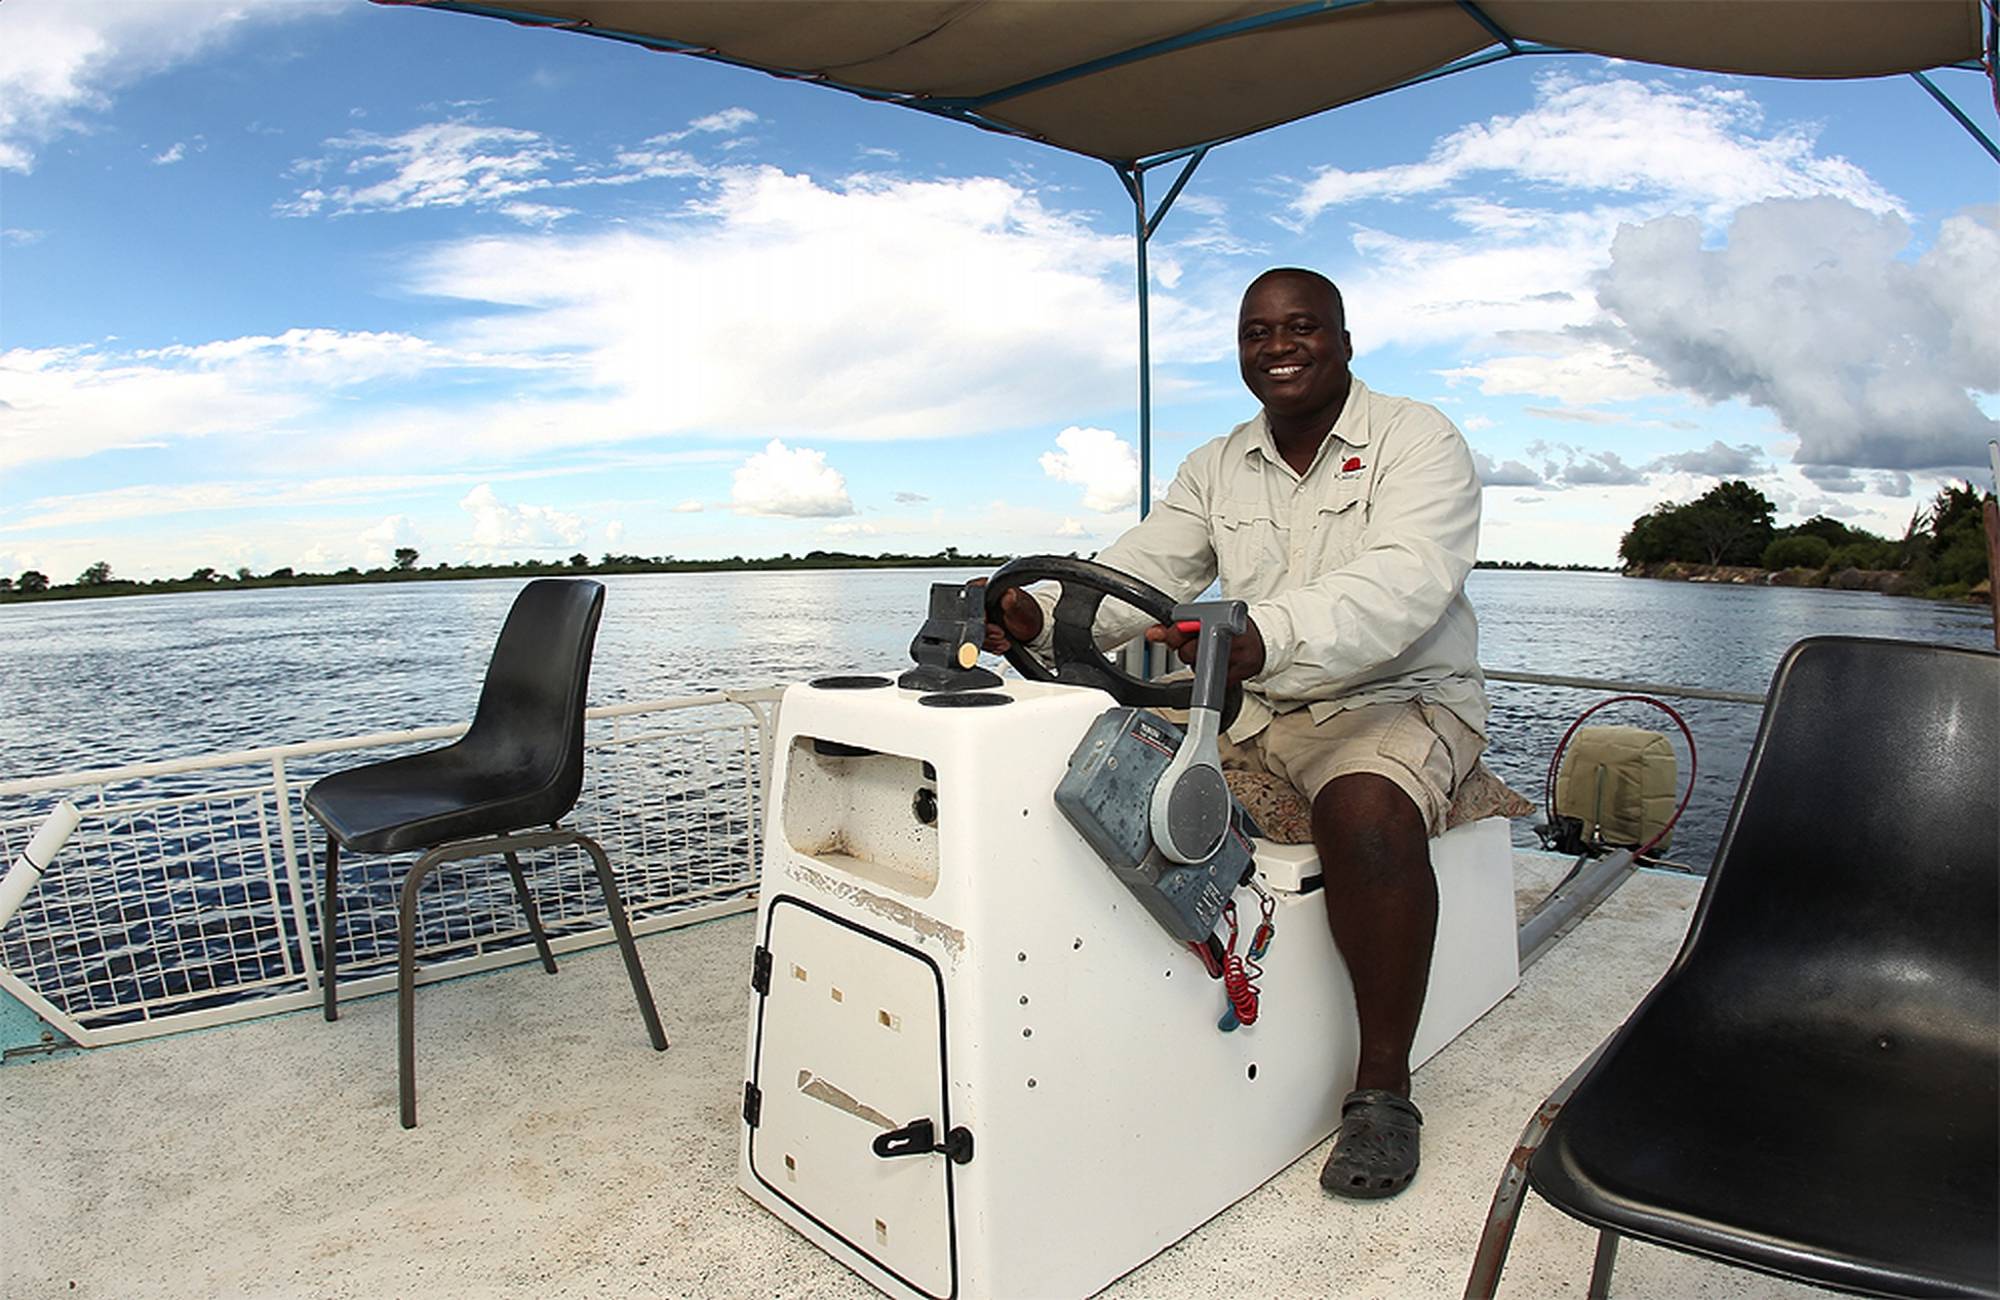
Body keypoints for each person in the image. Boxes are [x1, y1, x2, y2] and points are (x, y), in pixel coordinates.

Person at [986, 267, 1486, 1200]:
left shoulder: (1417, 440)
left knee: (1367, 811)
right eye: (1259, 332)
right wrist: (1039, 613)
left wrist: (1269, 631)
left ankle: (1382, 1089)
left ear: (1343, 339)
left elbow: (1407, 580)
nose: (1280, 346)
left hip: (1396, 695)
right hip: (1256, 703)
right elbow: (1141, 571)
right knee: (1089, 774)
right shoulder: (1217, 465)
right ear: (1242, 350)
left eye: (1301, 328)